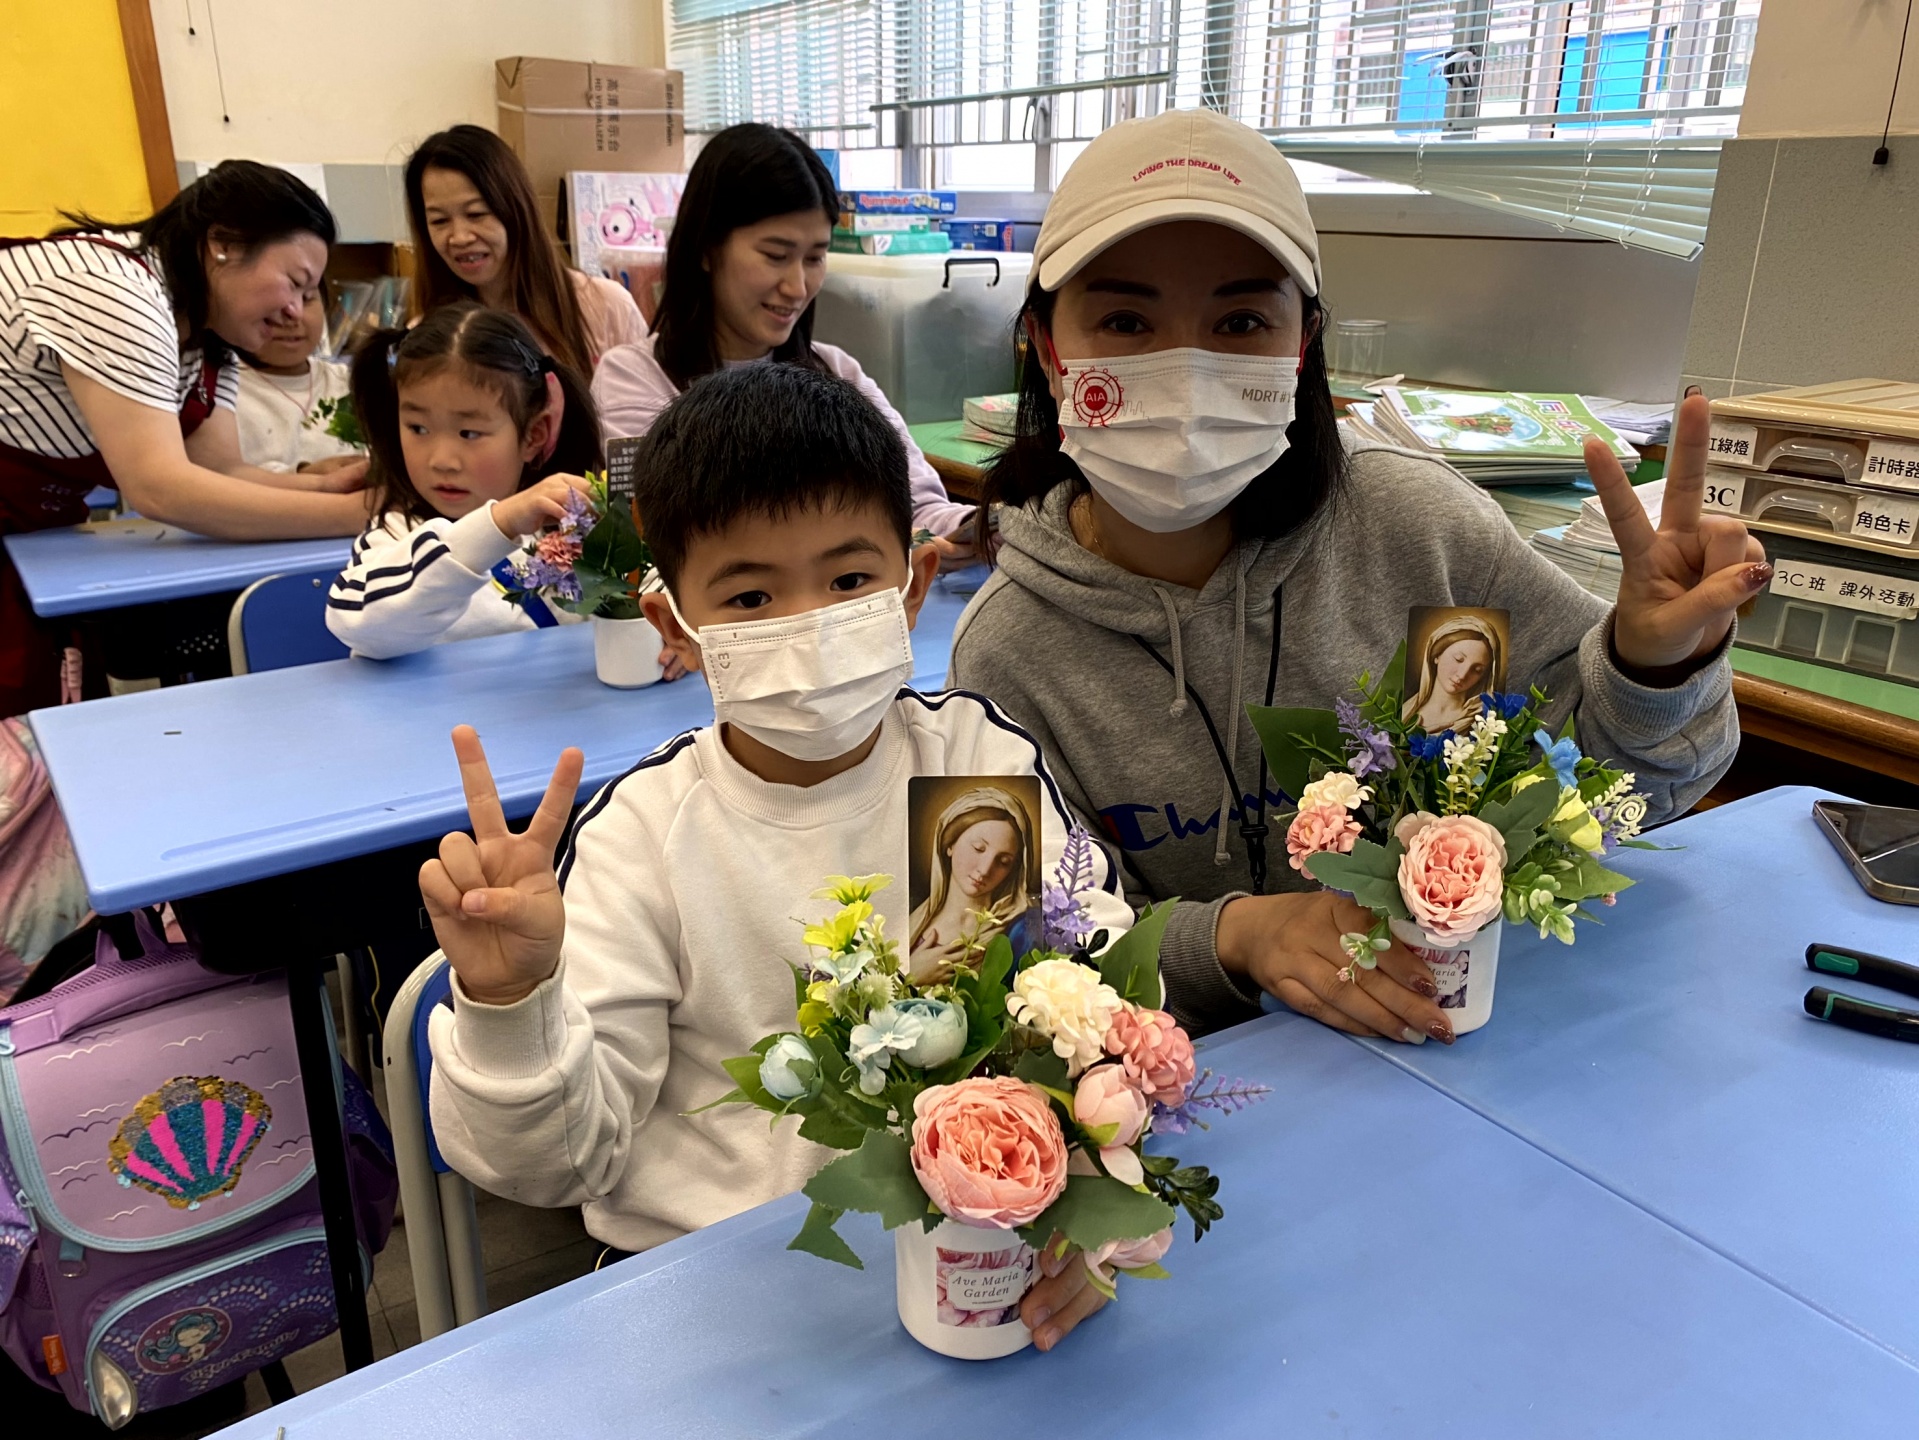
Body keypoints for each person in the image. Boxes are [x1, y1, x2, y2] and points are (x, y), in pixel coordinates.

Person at [949, 108, 1762, 1045]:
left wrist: (1654, 670)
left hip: (1461, 1039)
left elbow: (1620, 803)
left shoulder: (1421, 535)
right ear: (1047, 346)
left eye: (1241, 321)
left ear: (1303, 344)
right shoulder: (1004, 655)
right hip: (1200, 1095)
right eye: (1124, 321)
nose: (1188, 373)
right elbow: (1013, 958)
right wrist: (1237, 939)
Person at [419, 361, 1132, 1352]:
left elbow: (1085, 1001)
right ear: (674, 624)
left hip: (964, 1264)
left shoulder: (969, 766)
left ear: (913, 586)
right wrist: (509, 1005)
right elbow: (559, 1164)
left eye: (847, 581)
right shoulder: (642, 836)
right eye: (750, 595)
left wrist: (1096, 1196)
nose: (806, 624)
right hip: (705, 1296)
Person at [0, 161, 370, 716]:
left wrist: (330, 488)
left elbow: (220, 471)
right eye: (295, 282)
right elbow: (161, 489)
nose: (296, 309)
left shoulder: (204, 333)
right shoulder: (114, 291)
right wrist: (361, 514)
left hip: (32, 532)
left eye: (311, 292)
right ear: (223, 244)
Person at [591, 124, 975, 564]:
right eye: (776, 256)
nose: (798, 286)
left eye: (815, 258)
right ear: (706, 248)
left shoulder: (837, 372)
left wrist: (971, 528)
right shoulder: (634, 378)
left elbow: (919, 505)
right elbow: (661, 540)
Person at [324, 304, 602, 658]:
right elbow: (359, 627)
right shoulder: (391, 537)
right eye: (417, 428)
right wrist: (498, 524)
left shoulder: (572, 529)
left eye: (469, 433)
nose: (441, 460)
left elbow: (638, 610)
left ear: (533, 435)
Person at [405, 126, 645, 376]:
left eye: (476, 214)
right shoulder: (424, 339)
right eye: (439, 221)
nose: (460, 237)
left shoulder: (607, 307)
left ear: (516, 209)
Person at [906, 785, 1039, 981]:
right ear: (950, 844)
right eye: (978, 848)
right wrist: (912, 975)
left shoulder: (1022, 932)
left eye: (1003, 862)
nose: (985, 870)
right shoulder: (910, 915)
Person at [233, 281, 360, 473]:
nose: (291, 316)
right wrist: (307, 477)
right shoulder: (219, 392)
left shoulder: (351, 383)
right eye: (268, 302)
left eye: (305, 298)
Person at [1403, 617, 1501, 734]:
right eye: (1458, 659)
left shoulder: (1482, 722)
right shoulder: (1405, 711)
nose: (1462, 675)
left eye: (1477, 670)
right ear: (1437, 655)